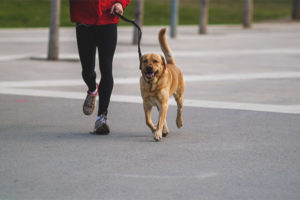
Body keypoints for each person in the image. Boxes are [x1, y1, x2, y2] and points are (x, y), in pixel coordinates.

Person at [69, 0, 131, 134]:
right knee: (87, 72)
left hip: (108, 19)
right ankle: (92, 89)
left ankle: (101, 118)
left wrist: (120, 3)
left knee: (107, 68)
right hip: (84, 20)